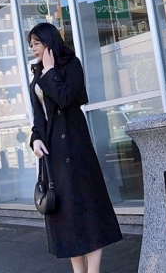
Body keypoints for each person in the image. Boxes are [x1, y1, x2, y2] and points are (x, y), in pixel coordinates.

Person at [27, 23, 123, 273]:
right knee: (67, 217)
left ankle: (93, 270)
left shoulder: (71, 65)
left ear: (49, 41)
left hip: (75, 148)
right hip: (53, 155)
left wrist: (50, 72)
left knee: (87, 211)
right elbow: (39, 116)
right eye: (31, 44)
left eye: (36, 43)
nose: (33, 48)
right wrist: (35, 139)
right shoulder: (38, 73)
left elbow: (65, 98)